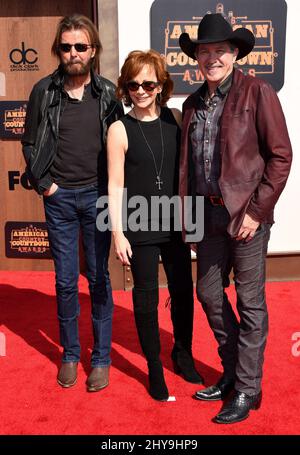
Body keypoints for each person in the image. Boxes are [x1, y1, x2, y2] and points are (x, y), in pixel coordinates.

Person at [179, 13, 292, 423]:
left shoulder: (258, 92)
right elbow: (186, 169)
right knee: (209, 295)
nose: (212, 58)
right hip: (205, 217)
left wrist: (257, 212)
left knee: (250, 303)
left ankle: (247, 387)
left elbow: (281, 157)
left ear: (235, 53)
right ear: (197, 57)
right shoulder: (192, 103)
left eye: (220, 51)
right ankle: (233, 371)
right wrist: (189, 220)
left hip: (246, 218)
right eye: (205, 51)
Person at [22, 14, 124, 392]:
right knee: (65, 281)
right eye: (66, 47)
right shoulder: (43, 91)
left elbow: (120, 147)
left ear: (93, 50)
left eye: (81, 46)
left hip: (98, 198)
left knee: (98, 279)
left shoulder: (109, 94)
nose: (73, 53)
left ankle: (100, 359)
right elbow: (30, 142)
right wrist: (46, 185)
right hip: (60, 199)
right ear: (58, 50)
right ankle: (69, 353)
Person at [107, 50, 203, 401]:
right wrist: (117, 232)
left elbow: (190, 175)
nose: (141, 90)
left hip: (176, 222)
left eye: (148, 83)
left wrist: (194, 223)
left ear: (161, 84)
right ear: (125, 87)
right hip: (138, 224)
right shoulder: (119, 129)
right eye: (133, 84)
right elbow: (115, 185)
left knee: (182, 293)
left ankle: (183, 353)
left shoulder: (176, 118)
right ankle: (153, 367)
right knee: (145, 299)